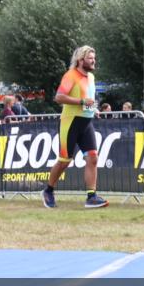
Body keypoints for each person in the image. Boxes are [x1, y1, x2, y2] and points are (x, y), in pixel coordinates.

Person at [42, 45, 108, 210]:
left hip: (86, 122)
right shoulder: (71, 75)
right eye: (90, 58)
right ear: (80, 60)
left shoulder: (91, 77)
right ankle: (48, 191)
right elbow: (59, 97)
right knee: (65, 161)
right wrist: (81, 102)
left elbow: (88, 99)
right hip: (70, 122)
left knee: (93, 158)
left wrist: (94, 109)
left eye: (94, 58)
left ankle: (91, 197)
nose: (94, 61)